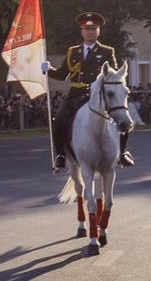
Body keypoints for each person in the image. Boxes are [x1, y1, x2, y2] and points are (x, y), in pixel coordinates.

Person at [45, 11, 133, 171]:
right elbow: (62, 74)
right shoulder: (72, 51)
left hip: (98, 94)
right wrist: (48, 69)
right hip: (76, 94)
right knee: (58, 121)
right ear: (82, 31)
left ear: (98, 31)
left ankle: (123, 153)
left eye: (93, 28)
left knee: (121, 116)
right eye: (86, 28)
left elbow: (112, 74)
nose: (90, 31)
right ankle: (61, 156)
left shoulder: (107, 51)